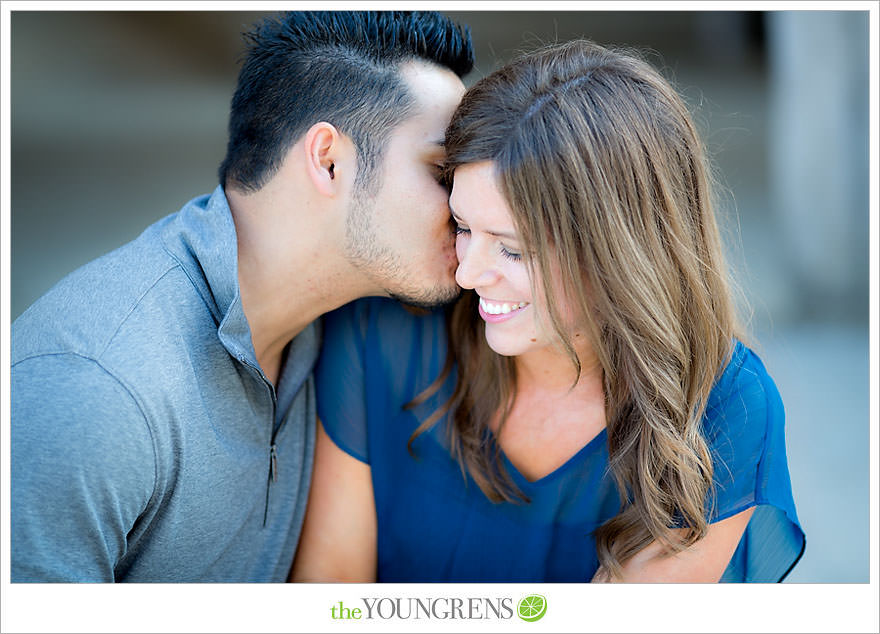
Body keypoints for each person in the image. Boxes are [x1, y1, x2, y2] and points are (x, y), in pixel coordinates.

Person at [292, 39, 806, 582]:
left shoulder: (724, 409)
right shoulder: (382, 333)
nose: (466, 275)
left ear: (622, 255)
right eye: (464, 227)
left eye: (512, 249)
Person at [10, 11, 473, 582]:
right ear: (329, 160)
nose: (466, 208)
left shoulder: (349, 327)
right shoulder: (98, 388)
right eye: (443, 173)